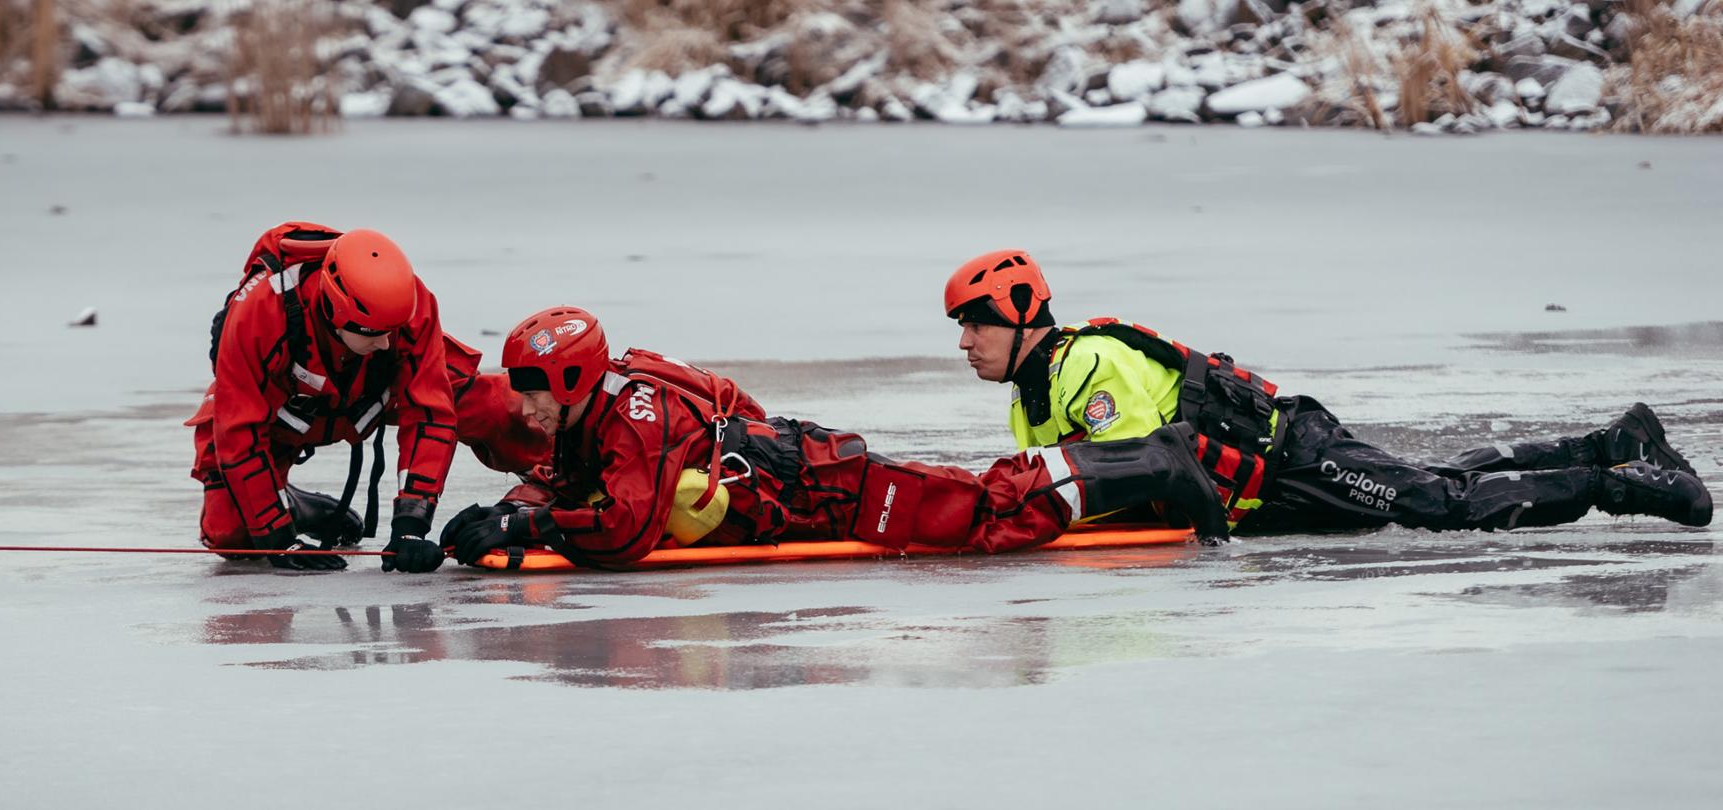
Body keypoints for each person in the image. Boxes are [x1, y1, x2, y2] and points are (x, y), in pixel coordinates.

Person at [943, 248, 1713, 534]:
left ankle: (1626, 486)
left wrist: (1206, 545)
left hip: (1288, 457)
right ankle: (1610, 441)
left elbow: (1161, 458)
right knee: (1434, 480)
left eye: (975, 324)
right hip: (1266, 495)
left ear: (1016, 313)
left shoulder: (1088, 365)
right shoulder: (1028, 399)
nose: (965, 343)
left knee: (1439, 506)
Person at [437, 306, 1231, 569]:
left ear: (573, 383)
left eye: (533, 394)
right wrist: (512, 504)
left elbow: (626, 527)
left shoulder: (636, 417)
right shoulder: (598, 408)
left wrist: (522, 525)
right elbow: (572, 476)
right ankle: (1134, 467)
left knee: (986, 516)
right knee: (980, 504)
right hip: (796, 476)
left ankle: (1148, 461)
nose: (525, 411)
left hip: (831, 490)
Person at [186, 222, 549, 572]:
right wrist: (279, 538)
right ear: (334, 312)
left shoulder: (410, 305)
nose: (388, 343)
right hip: (284, 411)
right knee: (231, 534)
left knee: (502, 406)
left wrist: (411, 523)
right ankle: (295, 505)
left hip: (372, 391)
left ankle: (561, 474)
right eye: (375, 333)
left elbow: (430, 415)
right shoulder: (256, 316)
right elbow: (239, 436)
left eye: (394, 331)